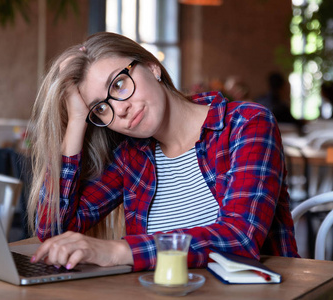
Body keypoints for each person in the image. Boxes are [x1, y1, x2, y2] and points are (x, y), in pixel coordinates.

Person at [28, 32, 299, 272]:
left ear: (152, 67)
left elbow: (239, 239)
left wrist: (117, 252)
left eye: (119, 84)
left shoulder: (245, 124)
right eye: (100, 108)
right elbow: (53, 231)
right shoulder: (130, 158)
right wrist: (76, 120)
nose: (119, 109)